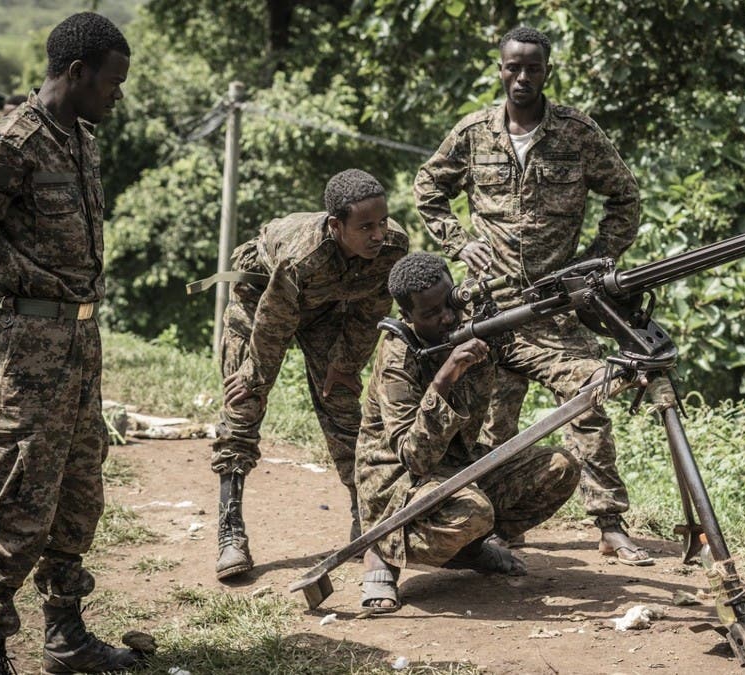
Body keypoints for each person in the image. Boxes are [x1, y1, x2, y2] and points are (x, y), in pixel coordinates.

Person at [0, 13, 144, 675]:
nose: (119, 93)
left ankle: (65, 635)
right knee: (14, 500)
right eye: (113, 81)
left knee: (78, 491)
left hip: (80, 344)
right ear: (77, 72)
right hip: (25, 348)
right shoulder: (10, 144)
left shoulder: (81, 139)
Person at [415, 26, 651, 564]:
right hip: (490, 307)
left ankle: (610, 523)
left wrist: (594, 261)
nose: (522, 77)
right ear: (499, 69)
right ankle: (500, 525)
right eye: (512, 67)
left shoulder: (575, 133)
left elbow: (625, 196)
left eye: (533, 68)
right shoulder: (474, 132)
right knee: (494, 425)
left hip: (555, 305)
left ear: (548, 71)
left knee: (589, 398)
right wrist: (460, 240)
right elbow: (428, 188)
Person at [209, 169, 408, 581]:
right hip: (260, 301)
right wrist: (256, 378)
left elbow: (374, 305)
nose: (378, 234)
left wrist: (345, 363)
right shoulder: (304, 254)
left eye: (382, 222)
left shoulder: (392, 247)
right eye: (365, 227)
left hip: (326, 309)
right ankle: (231, 532)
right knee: (242, 403)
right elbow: (273, 319)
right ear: (336, 226)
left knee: (340, 401)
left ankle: (365, 515)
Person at [353, 252, 580, 612]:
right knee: (473, 512)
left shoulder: (470, 327)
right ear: (408, 317)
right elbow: (415, 457)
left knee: (559, 467)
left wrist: (592, 376)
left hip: (459, 466)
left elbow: (535, 358)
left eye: (450, 304)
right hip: (399, 485)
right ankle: (383, 550)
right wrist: (444, 377)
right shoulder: (398, 359)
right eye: (430, 314)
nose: (446, 317)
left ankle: (467, 550)